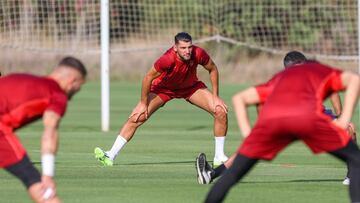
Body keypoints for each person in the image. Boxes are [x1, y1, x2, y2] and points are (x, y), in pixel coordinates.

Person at [201, 58, 360, 202]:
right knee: (357, 160)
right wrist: (344, 118)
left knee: (233, 175)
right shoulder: (319, 70)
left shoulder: (278, 78)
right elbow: (354, 80)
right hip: (308, 118)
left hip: (274, 121)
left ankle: (214, 175)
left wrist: (248, 135)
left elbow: (240, 98)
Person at [94, 32, 229, 167]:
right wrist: (142, 103)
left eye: (189, 47)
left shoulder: (198, 53)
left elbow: (213, 69)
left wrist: (216, 97)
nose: (187, 51)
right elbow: (148, 78)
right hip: (163, 89)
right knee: (138, 116)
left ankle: (219, 156)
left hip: (190, 87)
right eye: (183, 48)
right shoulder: (167, 59)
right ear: (175, 47)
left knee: (220, 110)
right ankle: (110, 154)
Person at [0, 57, 87, 203]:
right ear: (72, 81)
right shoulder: (57, 95)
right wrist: (48, 175)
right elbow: (50, 131)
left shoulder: (21, 78)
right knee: (41, 188)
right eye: (80, 86)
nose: (78, 90)